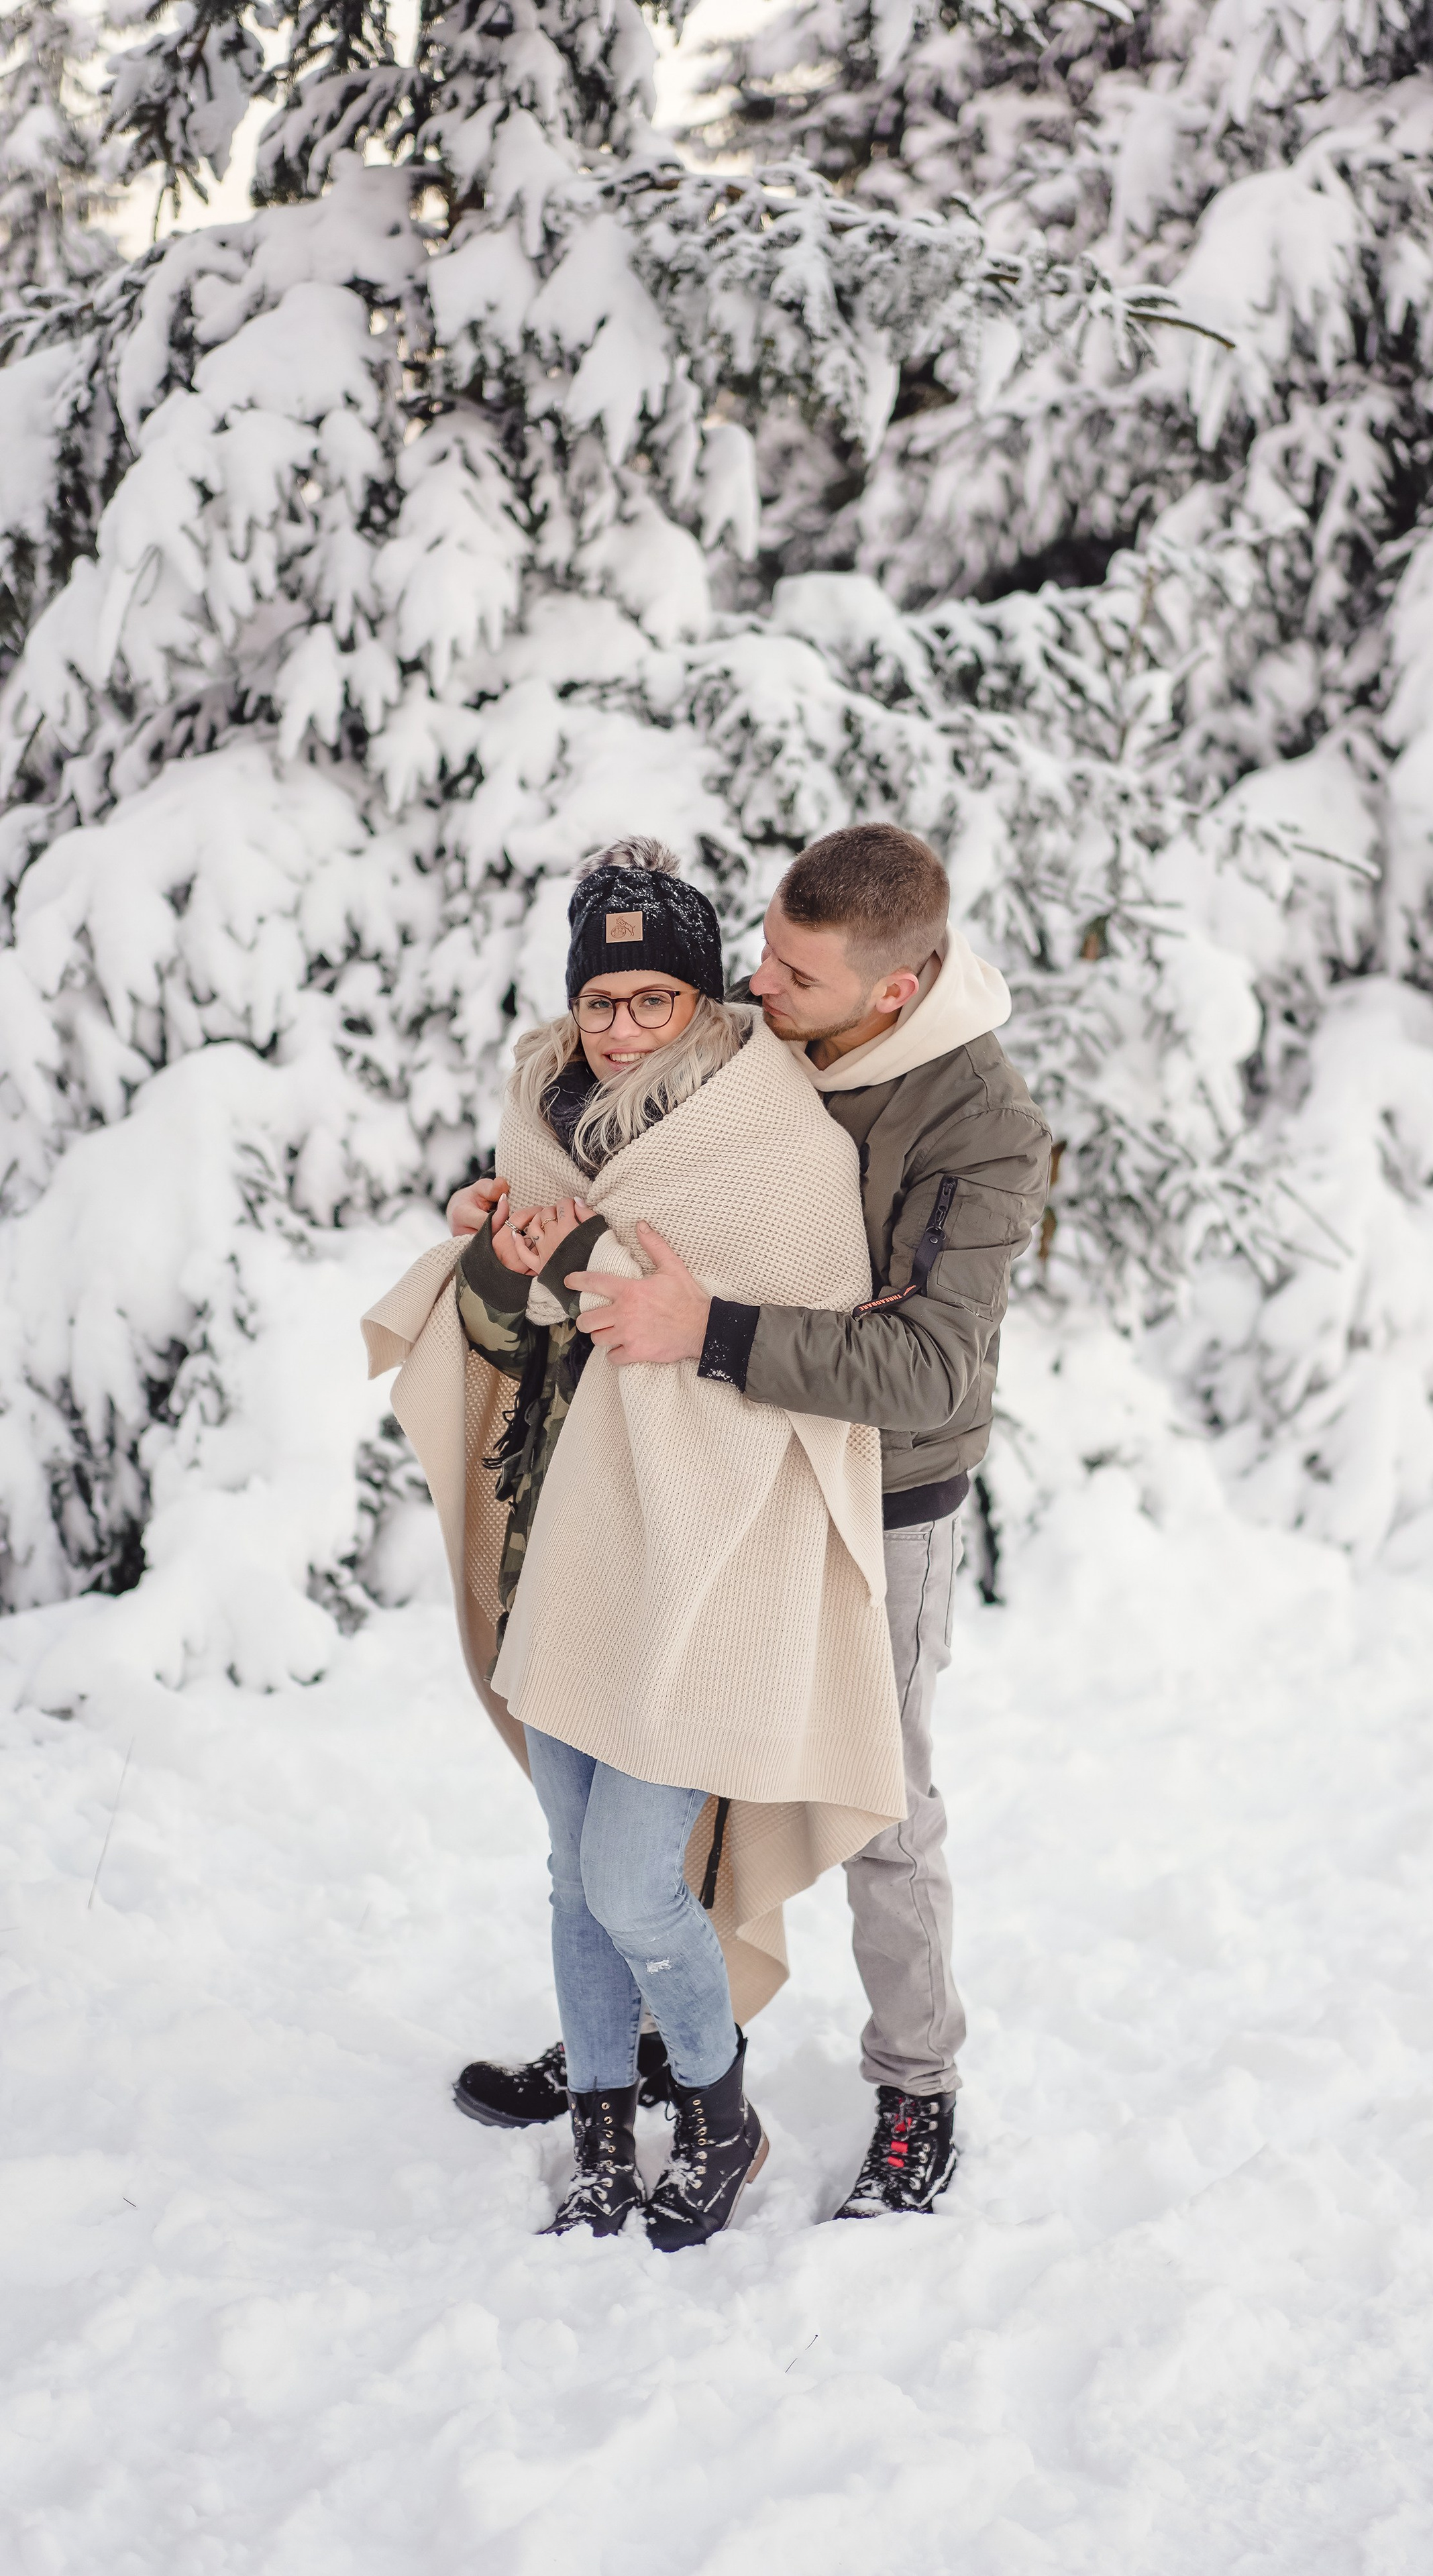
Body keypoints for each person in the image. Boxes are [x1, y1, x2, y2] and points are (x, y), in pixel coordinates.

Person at [454, 823, 1053, 2218]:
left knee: (872, 1798)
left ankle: (916, 2089)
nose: (754, 987)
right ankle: (648, 2033)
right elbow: (635, 1159)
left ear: (890, 990)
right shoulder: (754, 1036)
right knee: (664, 1758)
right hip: (698, 1451)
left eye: (791, 972)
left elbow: (926, 1365)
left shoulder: (977, 1126)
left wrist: (698, 1322)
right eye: (762, 953)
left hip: (881, 1495)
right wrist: (527, 1217)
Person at [363, 840, 907, 2249]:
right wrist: (503, 1256)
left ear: (698, 998)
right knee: (567, 1867)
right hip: (567, 1537)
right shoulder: (548, 1109)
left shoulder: (765, 1134)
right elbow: (518, 1328)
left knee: (628, 1878)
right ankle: (604, 2121)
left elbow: (806, 1323)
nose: (618, 1029)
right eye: (600, 1000)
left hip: (707, 1548)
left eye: (652, 998)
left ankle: (720, 2117)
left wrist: (591, 1271)